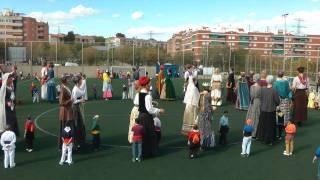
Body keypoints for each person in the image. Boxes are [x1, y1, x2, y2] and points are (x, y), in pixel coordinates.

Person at [135, 76, 164, 158]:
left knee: (144, 134)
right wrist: (159, 110)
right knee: (151, 134)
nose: (150, 84)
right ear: (147, 84)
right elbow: (149, 109)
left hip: (141, 116)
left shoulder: (140, 94)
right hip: (146, 117)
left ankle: (143, 152)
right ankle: (150, 152)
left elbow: (143, 105)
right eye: (149, 83)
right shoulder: (147, 96)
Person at [256, 75, 280, 145]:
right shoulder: (274, 90)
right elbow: (277, 101)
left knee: (263, 124)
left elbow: (260, 97)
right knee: (270, 125)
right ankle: (270, 140)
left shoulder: (262, 89)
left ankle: (262, 137)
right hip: (271, 110)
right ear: (272, 81)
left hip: (263, 109)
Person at [58, 74, 74, 149]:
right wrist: (70, 100)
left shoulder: (65, 87)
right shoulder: (63, 88)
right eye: (67, 79)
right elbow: (61, 102)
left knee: (67, 128)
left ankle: (67, 145)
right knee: (65, 129)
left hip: (67, 111)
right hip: (65, 112)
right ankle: (64, 145)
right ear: (65, 80)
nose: (69, 80)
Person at [197, 82, 215, 149]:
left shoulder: (200, 94)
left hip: (201, 114)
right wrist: (213, 109)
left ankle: (200, 144)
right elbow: (209, 106)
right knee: (207, 129)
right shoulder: (208, 95)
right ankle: (207, 144)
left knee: (201, 129)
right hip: (207, 114)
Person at [71, 75, 86, 150]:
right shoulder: (75, 89)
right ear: (78, 81)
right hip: (76, 108)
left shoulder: (77, 87)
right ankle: (77, 142)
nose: (82, 81)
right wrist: (80, 100)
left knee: (80, 124)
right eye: (81, 80)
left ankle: (79, 141)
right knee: (77, 124)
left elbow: (82, 92)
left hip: (78, 107)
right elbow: (73, 101)